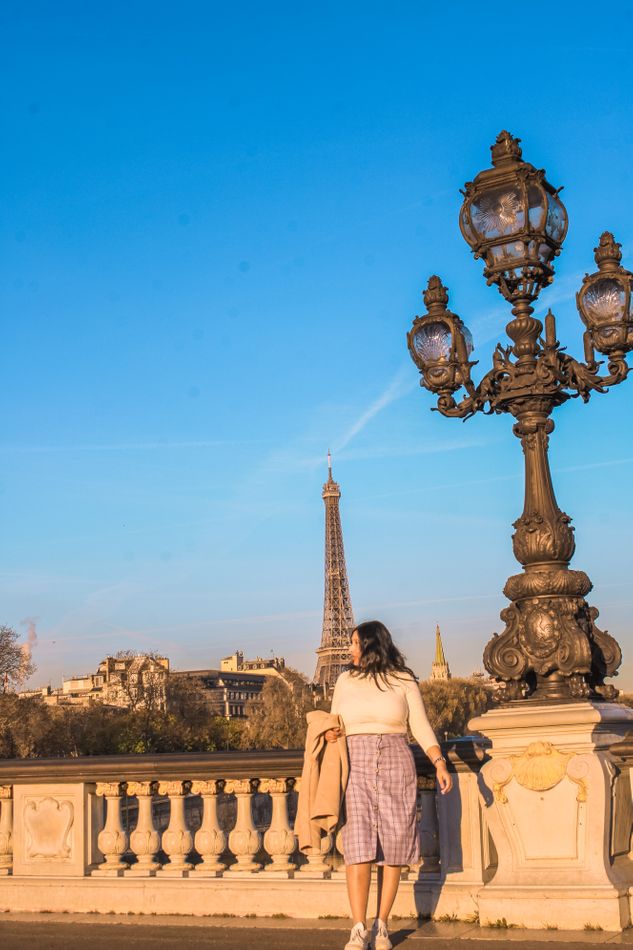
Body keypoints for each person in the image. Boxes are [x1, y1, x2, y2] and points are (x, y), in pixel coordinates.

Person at [327, 620, 452, 950]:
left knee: (393, 847)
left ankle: (382, 924)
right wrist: (329, 733)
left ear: (370, 645)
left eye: (354, 643)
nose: (349, 649)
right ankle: (358, 926)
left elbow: (420, 726)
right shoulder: (344, 680)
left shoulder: (403, 679)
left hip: (396, 759)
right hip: (355, 763)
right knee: (358, 848)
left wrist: (438, 761)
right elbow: (335, 722)